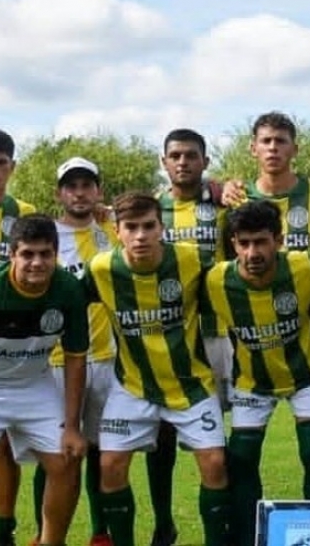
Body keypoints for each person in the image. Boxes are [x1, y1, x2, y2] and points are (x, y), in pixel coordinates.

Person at [85, 192, 229, 546]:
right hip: (132, 385)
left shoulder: (193, 260)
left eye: (148, 226)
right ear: (116, 230)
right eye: (131, 227)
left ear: (161, 228)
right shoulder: (102, 268)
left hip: (191, 384)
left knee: (213, 463)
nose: (140, 235)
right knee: (109, 466)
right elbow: (64, 299)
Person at [205, 201, 310, 546]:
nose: (252, 252)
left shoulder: (307, 265)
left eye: (261, 241)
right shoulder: (215, 278)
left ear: (278, 239)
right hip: (253, 381)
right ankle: (249, 535)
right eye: (243, 243)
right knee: (242, 458)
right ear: (233, 243)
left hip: (309, 375)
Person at [0, 214, 89, 546]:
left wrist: (72, 426)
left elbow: (75, 359)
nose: (36, 262)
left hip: (34, 384)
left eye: (45, 253)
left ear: (56, 254)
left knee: (67, 459)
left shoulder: (68, 289)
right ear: (12, 255)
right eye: (27, 254)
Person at [30, 159, 117, 546]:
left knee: (100, 451)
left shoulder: (113, 231)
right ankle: (43, 534)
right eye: (71, 186)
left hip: (106, 358)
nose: (79, 192)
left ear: (98, 191)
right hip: (54, 362)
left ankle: (100, 533)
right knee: (54, 455)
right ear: (58, 193)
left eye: (86, 185)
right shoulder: (47, 238)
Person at [152, 129, 229, 546]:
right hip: (167, 338)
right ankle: (164, 524)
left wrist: (226, 190)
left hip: (219, 333)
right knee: (162, 432)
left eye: (191, 155)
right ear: (164, 162)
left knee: (223, 434)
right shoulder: (153, 210)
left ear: (205, 161)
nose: (183, 162)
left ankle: (226, 523)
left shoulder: (220, 205)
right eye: (175, 156)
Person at [0, 128, 37, 546]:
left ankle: (4, 531)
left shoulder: (24, 212)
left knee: (4, 445)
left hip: (10, 347)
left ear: (12, 167)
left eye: (0, 163)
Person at [222, 111, 310, 253]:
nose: (273, 148)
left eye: (281, 141)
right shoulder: (237, 196)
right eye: (266, 141)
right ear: (253, 149)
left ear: (295, 150)